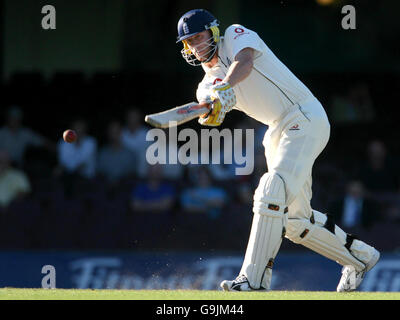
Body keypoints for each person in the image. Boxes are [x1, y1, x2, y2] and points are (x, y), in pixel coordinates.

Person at [175, 9, 379, 292]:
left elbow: (244, 63)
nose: (195, 46)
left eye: (198, 37)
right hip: (276, 131)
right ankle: (361, 257)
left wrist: (226, 85)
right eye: (188, 42)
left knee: (271, 189)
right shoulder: (205, 85)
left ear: (213, 31)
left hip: (304, 116)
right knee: (294, 221)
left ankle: (254, 280)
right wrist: (212, 109)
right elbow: (212, 110)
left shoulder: (235, 35)